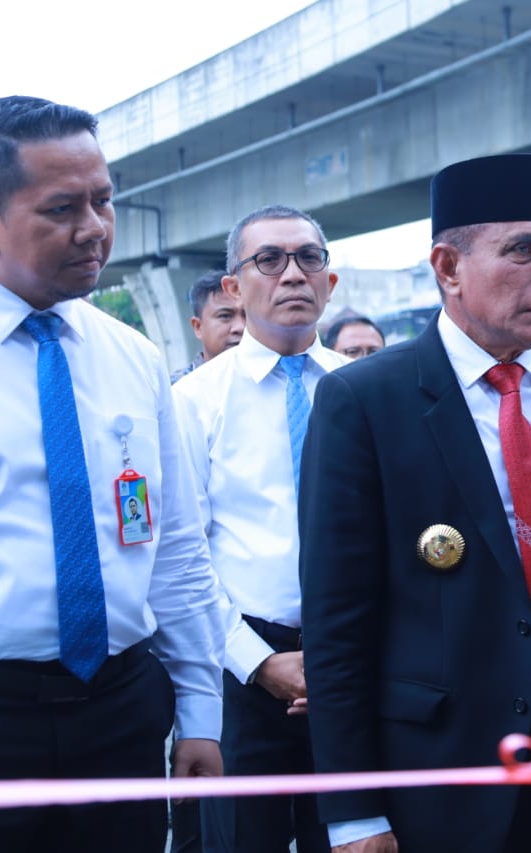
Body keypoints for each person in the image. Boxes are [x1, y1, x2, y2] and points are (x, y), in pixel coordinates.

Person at [300, 152, 531, 853]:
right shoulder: (366, 400)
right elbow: (337, 628)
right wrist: (354, 811)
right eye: (522, 251)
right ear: (447, 268)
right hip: (449, 758)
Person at [0, 95, 224, 852]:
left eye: (103, 199)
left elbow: (177, 552)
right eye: (61, 208)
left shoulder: (133, 356)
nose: (94, 228)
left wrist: (199, 708)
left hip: (121, 713)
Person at [172, 204, 344, 853]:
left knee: (359, 837)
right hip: (243, 667)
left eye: (308, 257)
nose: (292, 273)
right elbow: (183, 555)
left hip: (354, 659)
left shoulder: (366, 390)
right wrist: (261, 661)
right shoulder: (194, 401)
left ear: (330, 281)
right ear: (234, 286)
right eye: (269, 260)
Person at [170, 269, 246, 382]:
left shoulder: (275, 381)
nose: (240, 327)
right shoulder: (175, 391)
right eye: (225, 316)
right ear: (198, 327)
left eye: (247, 316)